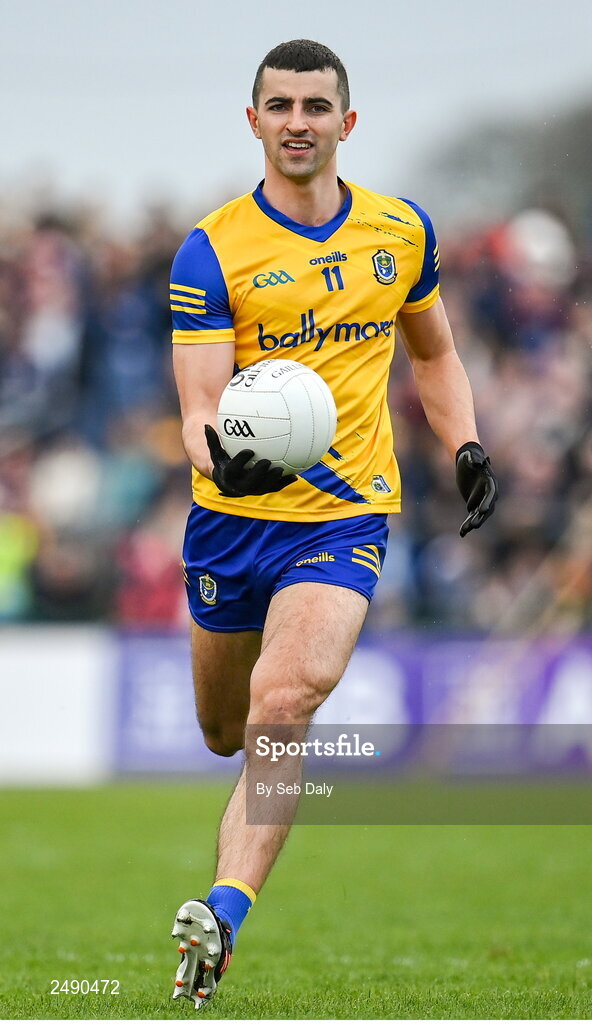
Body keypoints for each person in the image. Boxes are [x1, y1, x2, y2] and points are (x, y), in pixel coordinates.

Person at [169, 38, 498, 1010]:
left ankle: (222, 915)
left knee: (282, 703)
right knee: (224, 730)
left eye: (317, 106)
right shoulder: (213, 249)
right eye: (281, 105)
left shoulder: (400, 231)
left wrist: (466, 444)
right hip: (233, 521)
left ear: (347, 122)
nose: (299, 122)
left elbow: (433, 354)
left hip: (345, 517)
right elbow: (197, 402)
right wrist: (217, 455)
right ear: (254, 121)